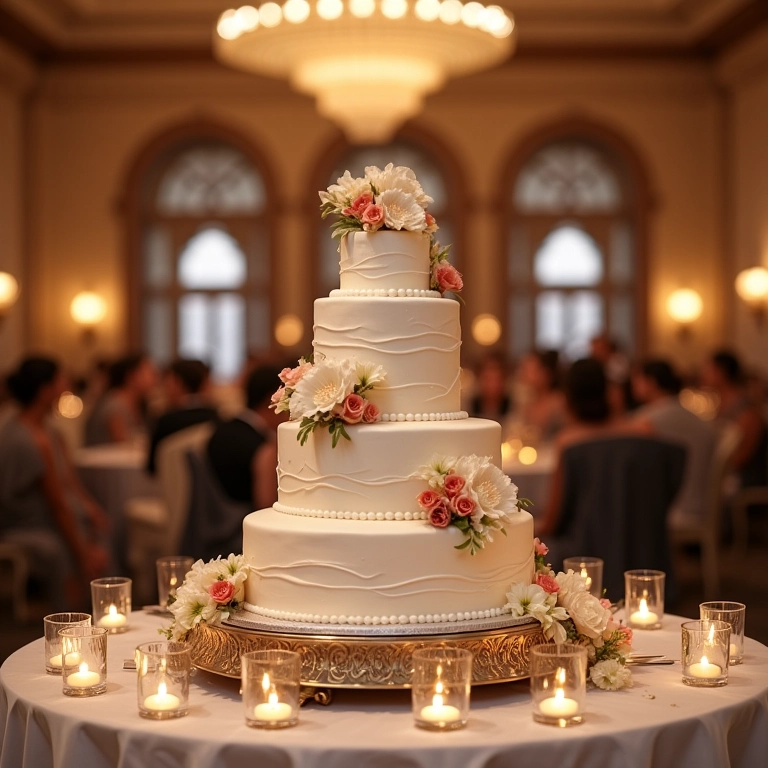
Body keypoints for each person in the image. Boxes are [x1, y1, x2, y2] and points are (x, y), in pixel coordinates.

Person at [0, 357, 111, 610]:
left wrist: (90, 506)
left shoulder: (50, 430)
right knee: (64, 547)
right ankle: (73, 614)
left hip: (49, 513)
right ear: (44, 390)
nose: (66, 386)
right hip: (25, 521)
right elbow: (57, 504)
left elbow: (69, 482)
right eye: (61, 380)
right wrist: (83, 554)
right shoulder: (27, 439)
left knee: (96, 522)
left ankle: (102, 605)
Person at [537, 358, 651, 538]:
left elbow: (553, 520)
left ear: (569, 398)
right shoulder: (643, 432)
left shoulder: (568, 442)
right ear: (608, 391)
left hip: (585, 546)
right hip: (642, 539)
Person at [632, 359, 717, 526]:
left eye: (637, 380)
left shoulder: (646, 420)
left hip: (674, 509)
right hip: (701, 505)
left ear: (651, 383)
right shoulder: (697, 419)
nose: (633, 385)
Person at [206, 366, 283, 510]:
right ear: (272, 399)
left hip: (212, 514)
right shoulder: (263, 448)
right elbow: (265, 505)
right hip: (240, 521)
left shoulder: (222, 428)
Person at [701, 350, 768, 489]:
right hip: (724, 478)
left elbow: (739, 459)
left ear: (721, 372)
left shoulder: (747, 411)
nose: (703, 374)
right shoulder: (719, 406)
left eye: (708, 369)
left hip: (744, 484)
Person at [146, 359, 218, 475]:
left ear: (177, 383)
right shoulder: (216, 417)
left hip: (169, 487)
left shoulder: (166, 421)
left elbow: (152, 467)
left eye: (168, 382)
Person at [84, 353, 156, 446]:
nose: (154, 377)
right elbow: (123, 444)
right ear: (131, 377)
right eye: (149, 372)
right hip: (106, 459)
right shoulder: (115, 406)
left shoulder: (140, 404)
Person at [514, 350, 566, 442]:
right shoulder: (527, 401)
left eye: (530, 370)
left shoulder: (559, 402)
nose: (524, 374)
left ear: (545, 374)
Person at [468, 354, 512, 422]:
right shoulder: (469, 407)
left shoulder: (513, 408)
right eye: (487, 379)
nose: (492, 385)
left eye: (497, 379)